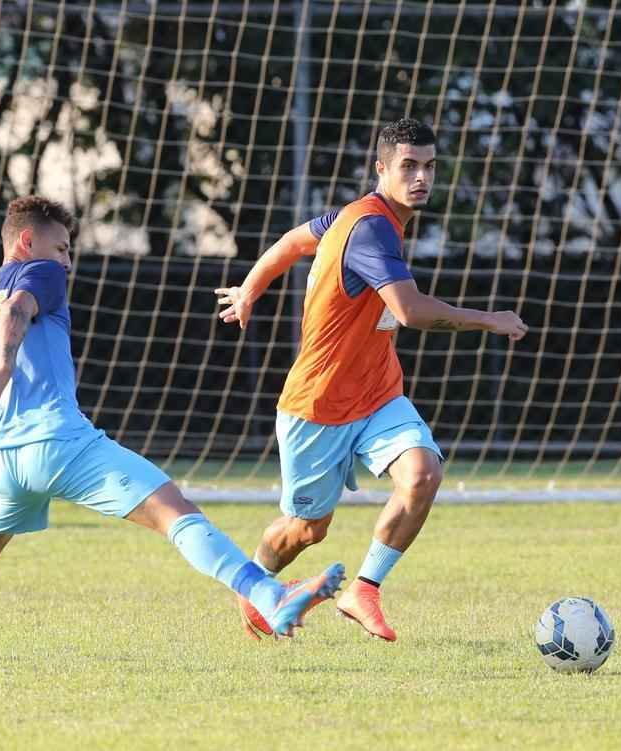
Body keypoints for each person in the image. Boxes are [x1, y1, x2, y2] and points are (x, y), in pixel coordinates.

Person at [0, 196, 344, 671]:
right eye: (61, 248)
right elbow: (16, 310)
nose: (67, 261)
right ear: (28, 241)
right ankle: (269, 594)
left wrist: (4, 432)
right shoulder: (39, 273)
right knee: (172, 511)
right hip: (57, 442)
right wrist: (3, 365)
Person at [216, 117, 527, 642]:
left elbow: (293, 242)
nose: (421, 177)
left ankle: (364, 589)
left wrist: (250, 289)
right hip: (318, 405)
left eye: (429, 167)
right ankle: (255, 590)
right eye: (408, 166)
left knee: (424, 473)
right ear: (381, 169)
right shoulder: (371, 228)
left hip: (379, 393)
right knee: (306, 531)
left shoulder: (355, 217)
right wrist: (487, 318)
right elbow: (407, 310)